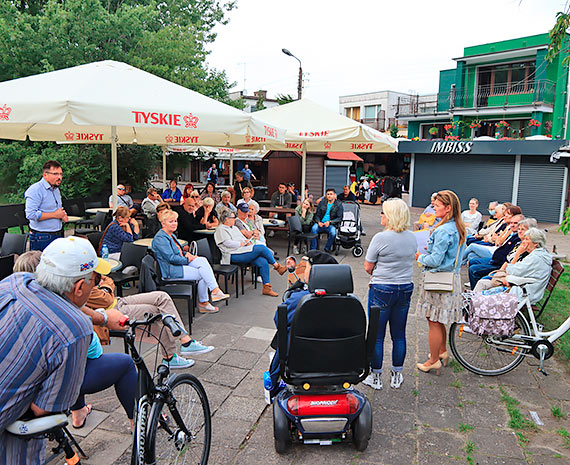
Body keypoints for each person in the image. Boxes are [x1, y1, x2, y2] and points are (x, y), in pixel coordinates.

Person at [0, 237, 109, 463]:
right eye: (94, 280)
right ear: (79, 287)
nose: (95, 285)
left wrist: (102, 317)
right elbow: (44, 410)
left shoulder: (15, 281)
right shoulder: (75, 329)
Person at [86, 274, 214, 370]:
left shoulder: (89, 272)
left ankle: (184, 341)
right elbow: (105, 299)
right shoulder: (77, 282)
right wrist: (106, 287)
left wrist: (105, 285)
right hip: (113, 311)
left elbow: (108, 279)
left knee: (162, 296)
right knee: (158, 312)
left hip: (119, 300)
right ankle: (172, 355)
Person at [265, 251, 338, 398]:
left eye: (307, 267)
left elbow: (279, 321)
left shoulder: (300, 299)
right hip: (337, 360)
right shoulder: (348, 302)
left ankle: (273, 384)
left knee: (285, 333)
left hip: (302, 360)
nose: (304, 270)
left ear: (314, 273)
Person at [362, 198, 417, 390]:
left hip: (382, 288)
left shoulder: (380, 238)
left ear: (391, 216)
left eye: (383, 212)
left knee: (377, 335)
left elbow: (368, 266)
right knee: (399, 334)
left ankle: (376, 377)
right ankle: (397, 374)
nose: (381, 215)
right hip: (405, 287)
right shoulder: (412, 237)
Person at [415, 190, 466, 375]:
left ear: (448, 208)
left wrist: (421, 257)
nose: (433, 208)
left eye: (436, 206)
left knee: (433, 321)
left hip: (438, 280)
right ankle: (442, 352)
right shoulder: (457, 227)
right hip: (451, 279)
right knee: (439, 320)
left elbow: (435, 261)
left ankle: (433, 360)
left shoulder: (443, 229)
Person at [152, 209, 229, 313]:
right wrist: (187, 259)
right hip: (171, 271)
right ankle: (205, 301)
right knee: (203, 273)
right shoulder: (160, 238)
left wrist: (186, 254)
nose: (174, 223)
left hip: (178, 265)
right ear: (163, 223)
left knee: (202, 261)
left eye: (175, 221)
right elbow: (171, 258)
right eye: (171, 221)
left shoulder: (171, 235)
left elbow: (177, 252)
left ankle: (214, 292)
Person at [214, 209, 287, 297]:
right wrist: (240, 244)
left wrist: (246, 241)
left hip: (242, 249)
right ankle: (277, 266)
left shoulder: (233, 228)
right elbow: (226, 243)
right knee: (261, 248)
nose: (234, 219)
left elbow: (241, 237)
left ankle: (266, 287)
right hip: (232, 254)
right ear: (226, 219)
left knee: (262, 261)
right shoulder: (221, 229)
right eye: (233, 218)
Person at [473, 228, 552, 304]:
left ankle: (473, 309)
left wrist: (517, 254)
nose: (523, 242)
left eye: (527, 239)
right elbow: (517, 270)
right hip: (520, 287)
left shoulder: (536, 257)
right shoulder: (536, 254)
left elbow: (514, 271)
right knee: (482, 283)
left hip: (524, 292)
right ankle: (471, 308)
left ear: (536, 243)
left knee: (483, 289)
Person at [467, 214, 523, 289]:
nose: (512, 225)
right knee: (472, 259)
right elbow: (498, 241)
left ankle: (475, 293)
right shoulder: (512, 233)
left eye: (515, 223)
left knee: (473, 268)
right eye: (511, 223)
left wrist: (500, 270)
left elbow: (507, 257)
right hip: (495, 257)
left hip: (499, 263)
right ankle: (474, 287)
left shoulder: (518, 239)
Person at [24, 160, 68, 251]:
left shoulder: (56, 189)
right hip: (42, 237)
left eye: (61, 174)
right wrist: (55, 215)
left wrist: (62, 215)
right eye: (55, 174)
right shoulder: (35, 190)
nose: (59, 177)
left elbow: (56, 209)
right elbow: (30, 214)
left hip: (57, 234)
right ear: (45, 175)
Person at [310, 188, 344, 253]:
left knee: (333, 233)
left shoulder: (338, 204)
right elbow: (317, 215)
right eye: (328, 194)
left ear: (334, 195)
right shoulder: (322, 203)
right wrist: (318, 222)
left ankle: (327, 248)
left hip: (330, 224)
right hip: (320, 223)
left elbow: (339, 218)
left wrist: (330, 222)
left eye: (331, 194)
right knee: (314, 229)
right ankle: (313, 249)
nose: (329, 196)